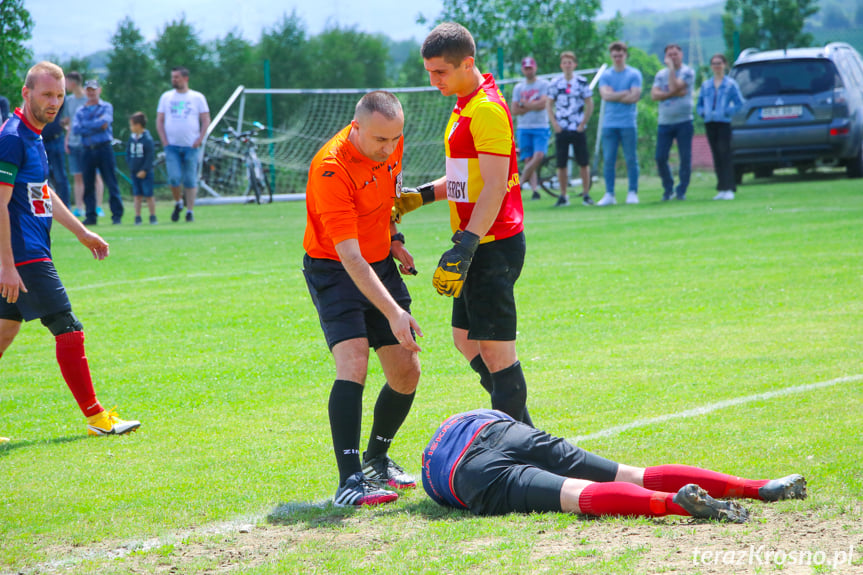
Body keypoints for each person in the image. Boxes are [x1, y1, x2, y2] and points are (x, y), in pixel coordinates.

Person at [396, 22, 534, 427]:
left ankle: (518, 447)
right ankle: (525, 433)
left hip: (492, 244)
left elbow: (494, 186)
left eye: (440, 72)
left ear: (466, 63)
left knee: (496, 352)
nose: (433, 80)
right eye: (429, 72)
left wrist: (467, 245)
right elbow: (464, 180)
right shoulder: (464, 102)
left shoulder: (486, 109)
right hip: (476, 242)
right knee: (466, 340)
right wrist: (419, 197)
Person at [0, 62, 140, 439]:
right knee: (68, 327)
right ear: (26, 93)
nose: (54, 102)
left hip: (25, 254)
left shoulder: (36, 135)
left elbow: (42, 191)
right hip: (24, 256)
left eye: (60, 96)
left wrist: (81, 233)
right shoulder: (12, 136)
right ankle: (97, 417)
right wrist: (7, 265)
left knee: (4, 334)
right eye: (46, 94)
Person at [303, 91, 422, 507]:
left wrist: (394, 239)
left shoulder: (390, 137)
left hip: (380, 262)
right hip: (335, 269)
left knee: (406, 371)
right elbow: (349, 258)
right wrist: (393, 312)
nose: (388, 149)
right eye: (379, 141)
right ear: (356, 128)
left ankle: (376, 458)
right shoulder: (331, 170)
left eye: (394, 139)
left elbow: (388, 198)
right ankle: (349, 480)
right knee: (353, 363)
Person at [423, 409, 807, 520]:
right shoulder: (468, 418)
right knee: (630, 473)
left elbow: (443, 497)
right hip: (496, 427)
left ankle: (675, 504)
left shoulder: (429, 473)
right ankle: (761, 487)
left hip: (461, 473)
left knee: (576, 494)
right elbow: (507, 417)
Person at [156, 67, 210, 223]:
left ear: (185, 79)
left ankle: (190, 210)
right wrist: (164, 140)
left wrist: (200, 138)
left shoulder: (197, 97)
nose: (174, 80)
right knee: (174, 178)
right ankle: (178, 202)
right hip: (171, 145)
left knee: (190, 179)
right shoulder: (166, 97)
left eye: (177, 77)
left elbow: (205, 119)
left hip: (191, 145)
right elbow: (160, 119)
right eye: (173, 77)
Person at [597, 41, 642, 206]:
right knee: (609, 159)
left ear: (625, 55)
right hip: (609, 123)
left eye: (620, 55)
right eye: (615, 56)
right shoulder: (606, 75)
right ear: (611, 56)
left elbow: (635, 97)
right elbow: (605, 96)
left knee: (631, 158)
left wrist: (614, 94)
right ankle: (609, 193)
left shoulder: (634, 74)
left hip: (628, 122)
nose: (617, 58)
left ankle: (632, 191)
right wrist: (624, 93)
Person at [547, 51, 595, 207]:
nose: (567, 65)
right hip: (562, 127)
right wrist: (554, 123)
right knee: (561, 163)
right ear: (561, 65)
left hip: (577, 127)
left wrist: (583, 123)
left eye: (570, 62)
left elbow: (589, 103)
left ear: (575, 65)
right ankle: (563, 195)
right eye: (565, 63)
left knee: (583, 161)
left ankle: (586, 194)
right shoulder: (555, 83)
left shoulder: (581, 82)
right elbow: (549, 104)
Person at [73, 79, 124, 225]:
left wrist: (86, 126)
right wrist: (95, 124)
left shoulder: (106, 106)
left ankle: (116, 215)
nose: (91, 92)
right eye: (88, 90)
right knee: (88, 184)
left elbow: (104, 124)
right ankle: (90, 215)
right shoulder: (80, 110)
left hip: (104, 148)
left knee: (111, 182)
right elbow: (76, 129)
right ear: (85, 91)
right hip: (87, 149)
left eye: (93, 90)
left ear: (99, 90)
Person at [651, 44, 696, 201]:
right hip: (665, 122)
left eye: (675, 54)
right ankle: (668, 188)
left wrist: (671, 71)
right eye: (669, 55)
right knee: (660, 157)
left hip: (684, 121)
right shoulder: (659, 74)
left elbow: (675, 85)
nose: (672, 57)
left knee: (685, 157)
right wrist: (674, 93)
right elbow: (654, 95)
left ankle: (681, 190)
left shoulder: (688, 72)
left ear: (681, 54)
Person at [697, 53, 744, 201]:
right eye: (714, 64)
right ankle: (721, 187)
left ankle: (729, 186)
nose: (716, 66)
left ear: (724, 65)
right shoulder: (706, 85)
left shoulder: (730, 84)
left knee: (725, 154)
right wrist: (703, 112)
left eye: (719, 63)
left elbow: (739, 103)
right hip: (710, 122)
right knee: (716, 155)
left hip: (723, 122)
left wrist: (727, 111)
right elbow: (699, 104)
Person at [64, 72, 102, 218]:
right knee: (77, 176)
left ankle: (97, 207)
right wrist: (66, 140)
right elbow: (69, 122)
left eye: (67, 82)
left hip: (89, 144)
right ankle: (79, 207)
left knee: (95, 176)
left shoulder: (90, 99)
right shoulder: (68, 100)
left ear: (73, 83)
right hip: (73, 142)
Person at [511, 57, 550, 201]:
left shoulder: (544, 84)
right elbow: (514, 109)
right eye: (526, 68)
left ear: (535, 68)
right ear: (523, 69)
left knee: (538, 156)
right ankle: (535, 190)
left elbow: (543, 104)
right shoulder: (518, 87)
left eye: (530, 68)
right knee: (528, 159)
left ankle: (519, 184)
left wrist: (525, 105)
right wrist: (532, 105)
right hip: (524, 127)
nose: (528, 71)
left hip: (541, 126)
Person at [126, 112, 157, 224]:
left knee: (149, 194)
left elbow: (150, 156)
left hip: (146, 173)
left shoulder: (147, 139)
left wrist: (144, 170)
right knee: (137, 195)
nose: (131, 128)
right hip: (134, 171)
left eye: (132, 125)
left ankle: (152, 216)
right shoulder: (131, 139)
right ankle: (137, 216)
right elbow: (128, 153)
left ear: (138, 125)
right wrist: (131, 165)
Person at [41, 97, 71, 207]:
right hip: (41, 141)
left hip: (55, 139)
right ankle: (46, 207)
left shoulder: (57, 99)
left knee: (60, 176)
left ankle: (65, 207)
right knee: (42, 176)